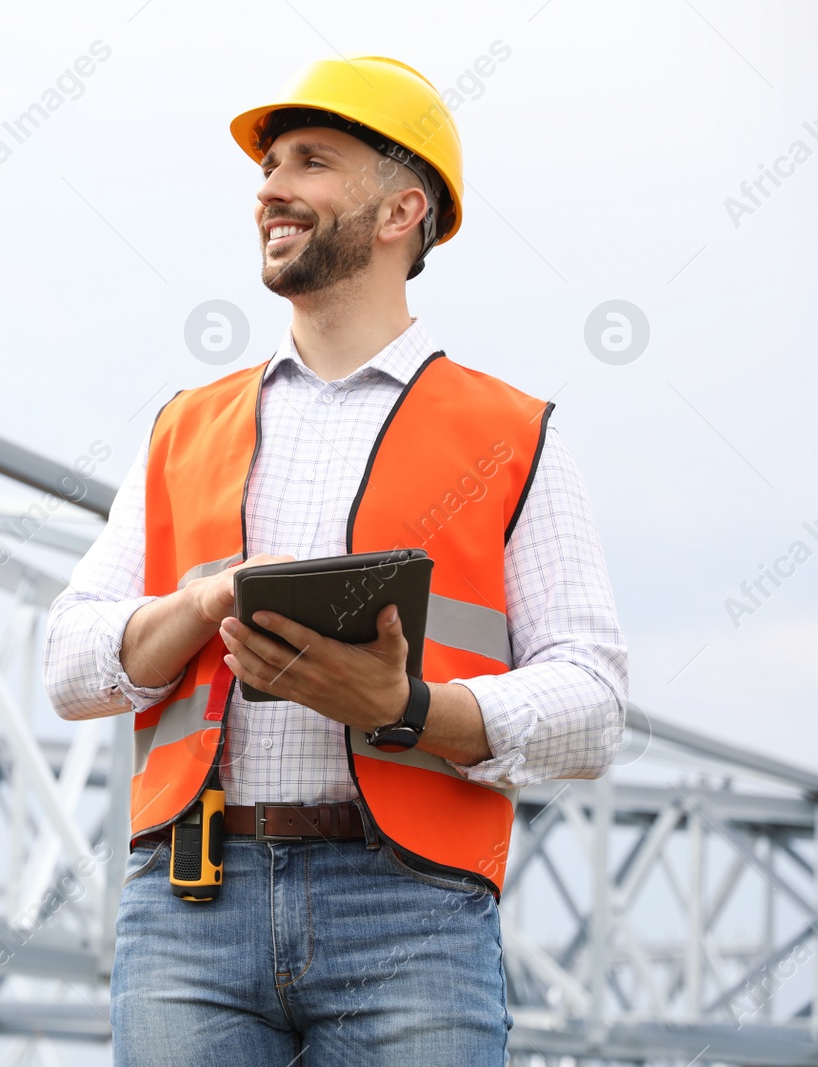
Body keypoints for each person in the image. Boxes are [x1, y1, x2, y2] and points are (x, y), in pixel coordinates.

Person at [43, 55, 628, 1065]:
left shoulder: (512, 435)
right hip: (190, 900)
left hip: (412, 913)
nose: (270, 187)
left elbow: (593, 703)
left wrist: (403, 707)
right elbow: (66, 662)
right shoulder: (184, 427)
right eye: (268, 165)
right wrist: (204, 602)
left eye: (311, 162)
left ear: (403, 210)